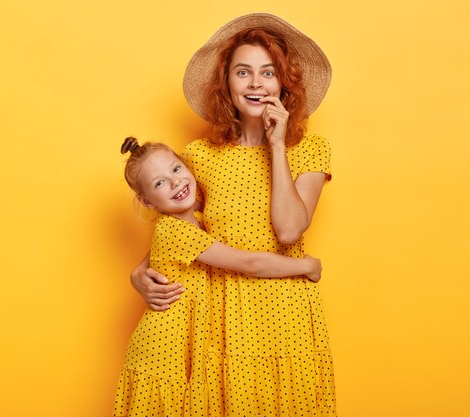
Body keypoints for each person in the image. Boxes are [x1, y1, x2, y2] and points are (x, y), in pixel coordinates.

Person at [129, 13, 336, 416]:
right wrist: (138, 274)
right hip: (222, 317)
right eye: (243, 72)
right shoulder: (201, 156)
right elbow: (183, 230)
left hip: (286, 309)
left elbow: (290, 229)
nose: (256, 84)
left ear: (284, 83)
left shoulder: (310, 149)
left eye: (268, 72)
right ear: (227, 83)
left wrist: (277, 145)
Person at [114, 136, 324, 417]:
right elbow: (248, 262)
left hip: (191, 345)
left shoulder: (199, 223)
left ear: (187, 167)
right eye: (159, 183)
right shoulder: (175, 231)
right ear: (147, 201)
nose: (175, 182)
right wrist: (306, 266)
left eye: (176, 169)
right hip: (167, 351)